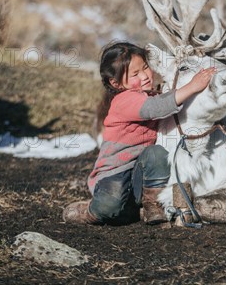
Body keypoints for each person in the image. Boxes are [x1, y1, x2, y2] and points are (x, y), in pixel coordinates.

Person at [62, 41, 216, 225]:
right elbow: (156, 107)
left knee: (157, 154)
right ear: (116, 83)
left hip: (138, 173)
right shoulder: (124, 101)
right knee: (109, 207)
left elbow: (162, 101)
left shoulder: (150, 95)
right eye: (135, 74)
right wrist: (192, 86)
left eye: (145, 68)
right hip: (114, 173)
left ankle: (152, 206)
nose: (145, 76)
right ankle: (88, 212)